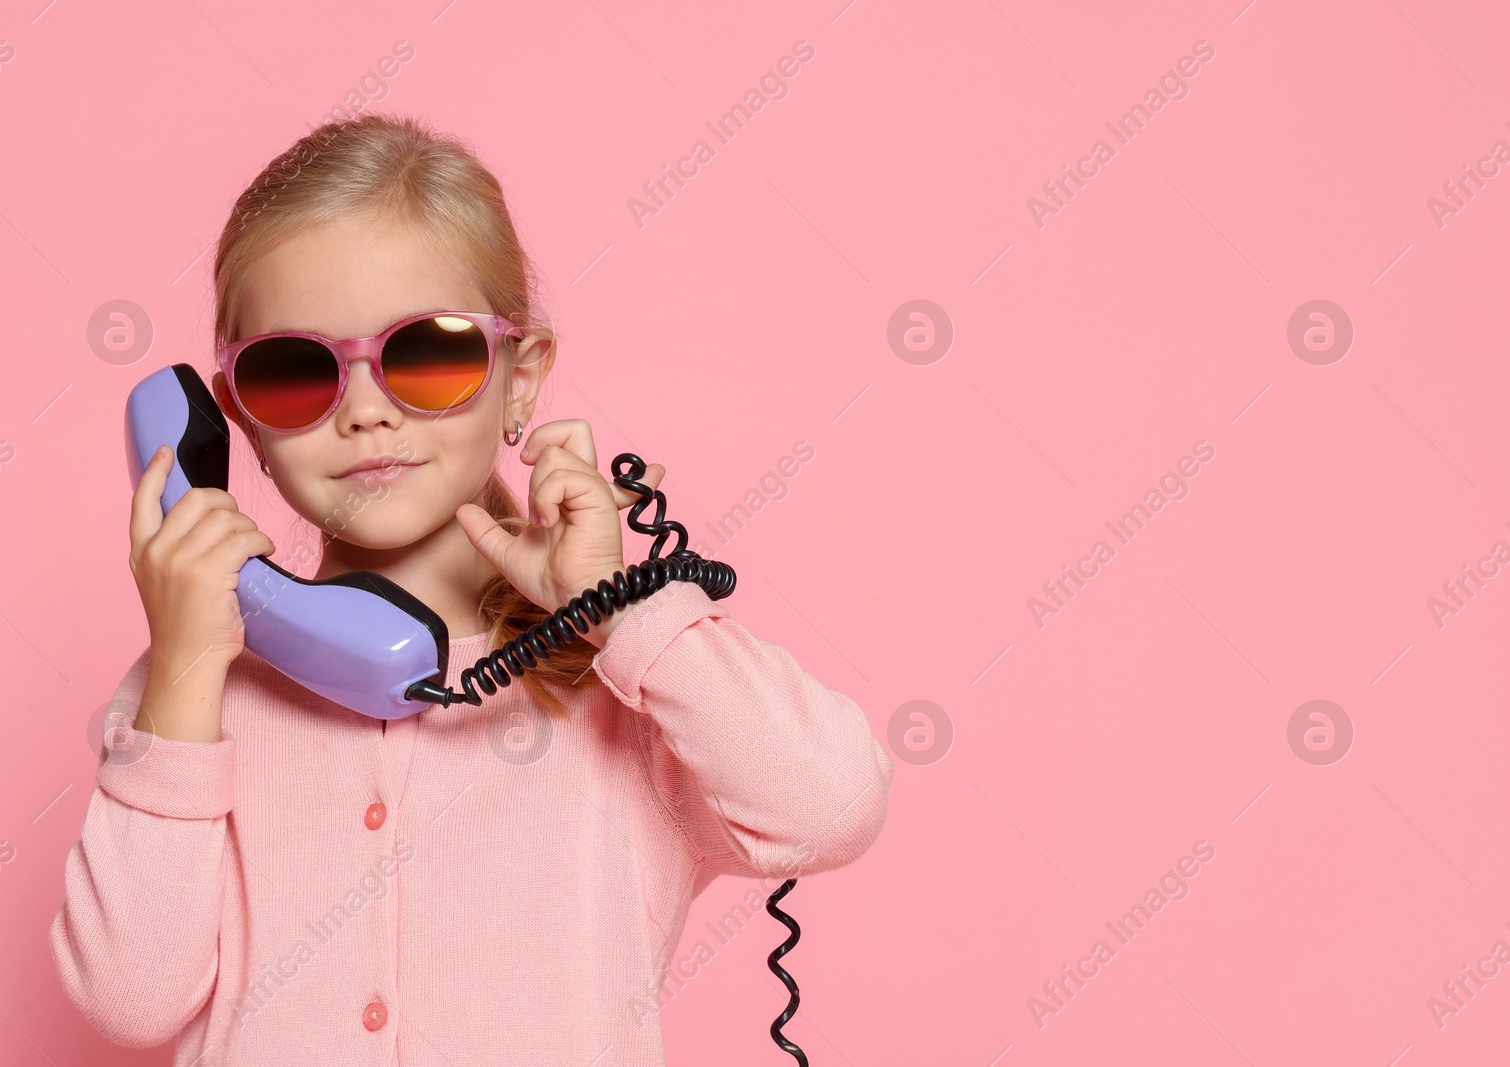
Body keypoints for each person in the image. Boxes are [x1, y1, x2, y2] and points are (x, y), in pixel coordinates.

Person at [49, 113, 891, 1066]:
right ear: (237, 420)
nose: (365, 409)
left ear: (519, 382)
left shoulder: (622, 684)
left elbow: (831, 805)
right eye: (295, 373)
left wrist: (618, 608)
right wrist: (185, 677)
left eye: (427, 355)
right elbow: (128, 999)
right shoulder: (193, 688)